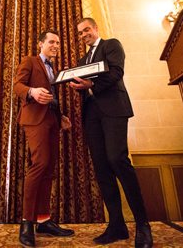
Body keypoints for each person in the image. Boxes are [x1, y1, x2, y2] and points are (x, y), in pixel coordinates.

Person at [69, 18, 153, 247]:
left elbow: (116, 72)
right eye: (80, 33)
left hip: (114, 109)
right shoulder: (82, 60)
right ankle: (117, 226)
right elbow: (83, 87)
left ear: (95, 29)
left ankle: (143, 224)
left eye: (87, 30)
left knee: (117, 158)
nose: (84, 34)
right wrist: (76, 85)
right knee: (102, 168)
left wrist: (91, 85)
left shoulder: (111, 45)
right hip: (92, 116)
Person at [13, 29, 74, 247]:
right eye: (51, 42)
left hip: (52, 120)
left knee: (49, 169)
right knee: (39, 165)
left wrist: (61, 116)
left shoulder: (54, 68)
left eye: (58, 42)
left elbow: (53, 97)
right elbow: (17, 86)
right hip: (34, 119)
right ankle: (26, 222)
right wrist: (32, 92)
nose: (56, 45)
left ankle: (44, 220)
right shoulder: (29, 61)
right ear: (41, 44)